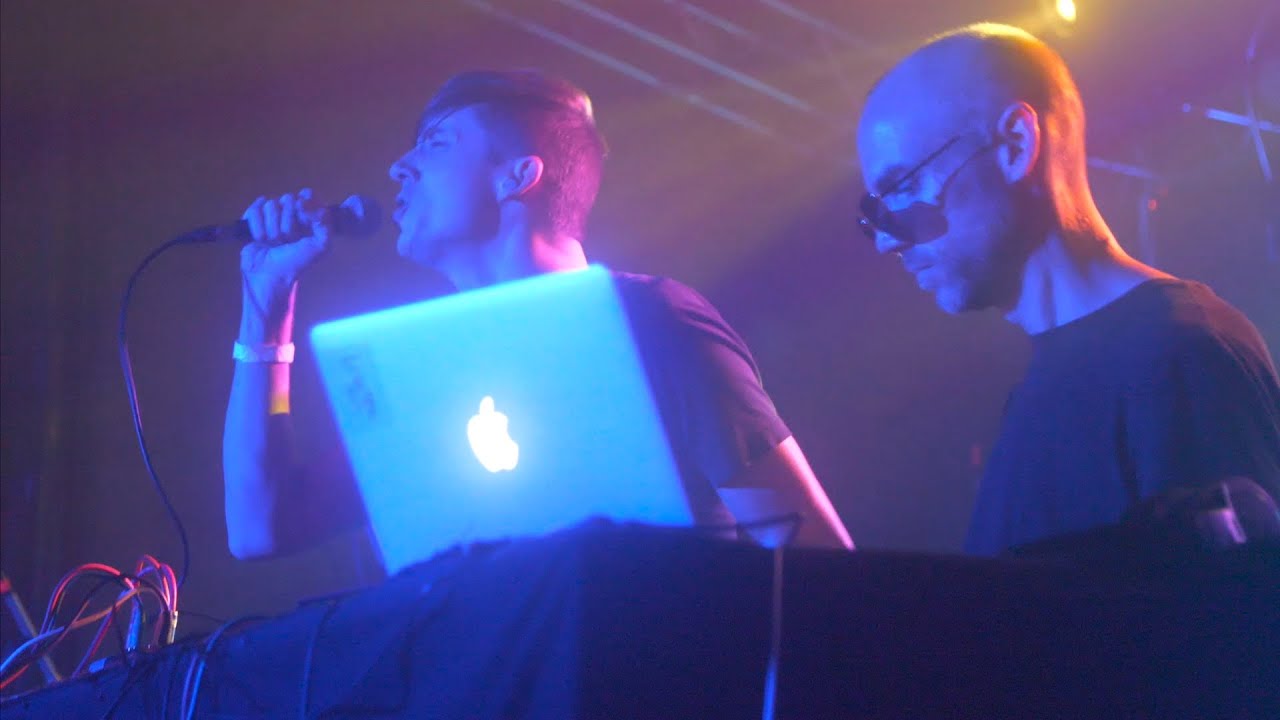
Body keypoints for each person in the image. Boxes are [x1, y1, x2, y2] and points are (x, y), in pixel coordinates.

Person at [223, 69, 853, 561]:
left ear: (517, 176)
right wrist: (265, 305)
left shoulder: (649, 321)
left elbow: (813, 555)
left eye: (436, 143)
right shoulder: (422, 367)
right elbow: (261, 528)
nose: (398, 167)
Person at [853, 23, 1280, 556]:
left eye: (902, 186)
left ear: (1014, 145)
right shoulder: (1045, 384)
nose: (886, 241)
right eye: (875, 211)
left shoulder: (1184, 355)